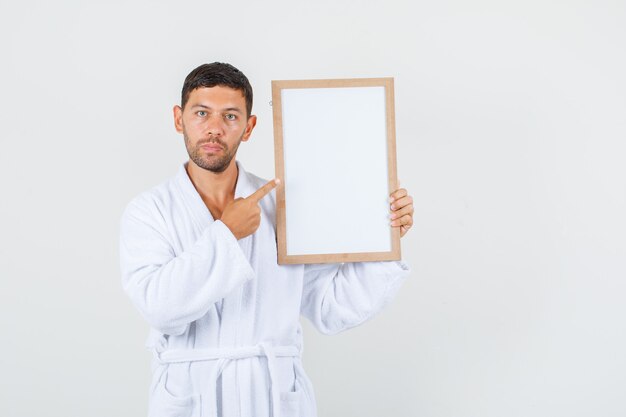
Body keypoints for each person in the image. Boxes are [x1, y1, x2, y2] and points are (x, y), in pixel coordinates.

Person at [119, 62, 414, 417]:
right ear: (179, 119)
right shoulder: (149, 211)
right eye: (202, 113)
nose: (214, 129)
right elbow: (159, 307)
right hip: (190, 397)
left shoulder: (282, 206)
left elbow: (331, 308)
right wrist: (226, 235)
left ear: (249, 127)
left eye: (230, 116)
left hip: (273, 397)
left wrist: (384, 235)